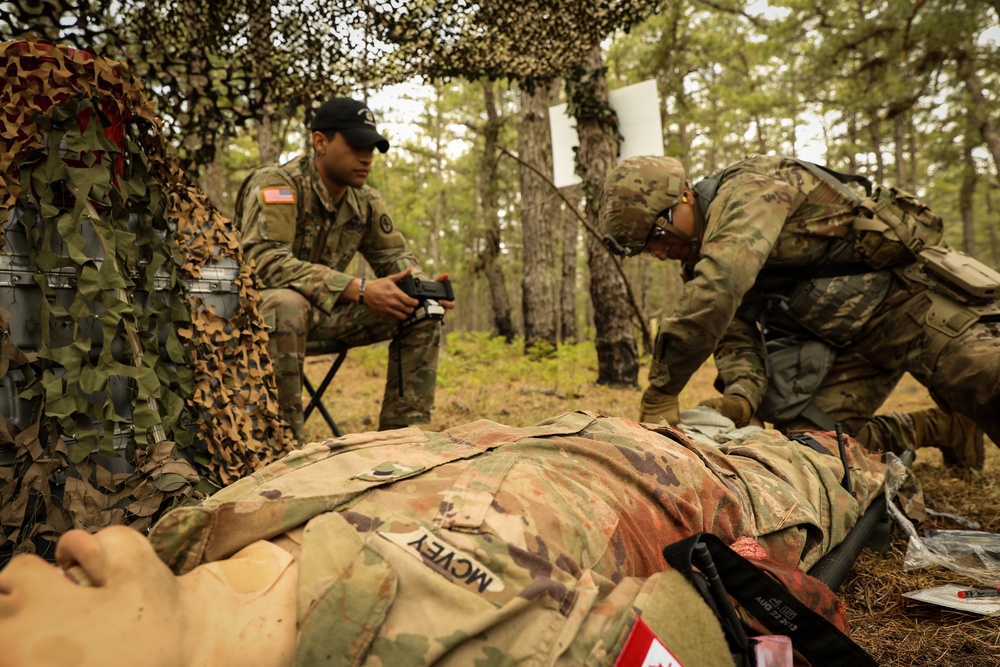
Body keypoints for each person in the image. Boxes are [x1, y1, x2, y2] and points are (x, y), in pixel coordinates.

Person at [0, 411, 887, 667]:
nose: (13, 576)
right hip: (707, 491)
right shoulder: (487, 644)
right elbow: (731, 631)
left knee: (726, 417)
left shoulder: (198, 539)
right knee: (831, 453)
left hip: (580, 432)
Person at [599, 154, 1000, 459]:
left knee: (987, 379)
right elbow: (735, 341)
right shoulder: (697, 260)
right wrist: (741, 399)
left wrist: (663, 389)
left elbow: (722, 284)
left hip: (914, 305)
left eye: (658, 235)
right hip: (848, 344)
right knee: (812, 449)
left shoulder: (750, 189)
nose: (661, 252)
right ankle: (943, 428)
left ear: (683, 197)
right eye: (648, 250)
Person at [235, 97, 454, 439]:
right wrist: (358, 289)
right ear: (320, 142)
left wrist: (423, 286)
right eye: (356, 145)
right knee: (286, 305)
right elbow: (263, 262)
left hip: (327, 316)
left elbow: (395, 257)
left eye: (371, 147)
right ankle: (281, 449)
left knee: (422, 309)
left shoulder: (363, 200)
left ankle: (400, 441)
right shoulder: (278, 184)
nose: (366, 157)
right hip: (265, 320)